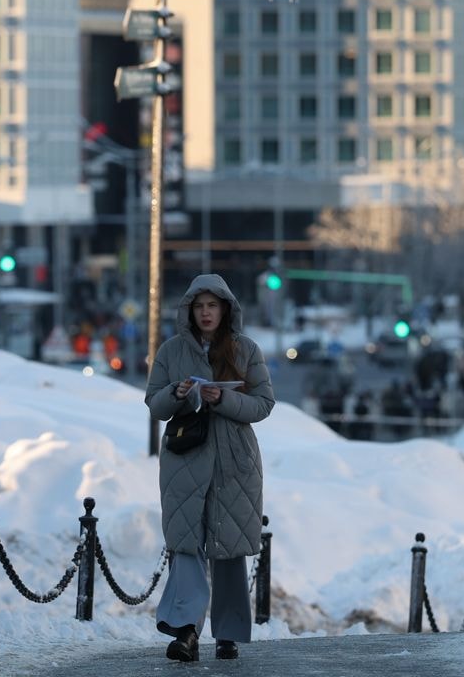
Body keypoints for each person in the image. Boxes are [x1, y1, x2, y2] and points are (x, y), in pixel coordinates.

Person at [145, 274, 274, 663]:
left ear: (225, 309)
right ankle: (185, 631)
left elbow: (263, 403)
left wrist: (222, 400)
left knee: (230, 547)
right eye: (199, 306)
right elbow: (154, 404)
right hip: (186, 456)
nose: (205, 313)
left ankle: (229, 634)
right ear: (189, 310)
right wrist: (177, 393)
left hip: (234, 459)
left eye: (212, 306)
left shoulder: (246, 349)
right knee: (185, 544)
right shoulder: (171, 351)